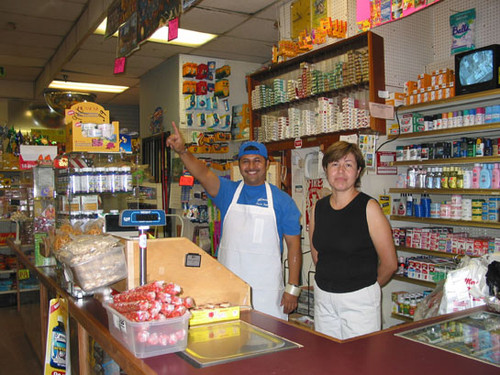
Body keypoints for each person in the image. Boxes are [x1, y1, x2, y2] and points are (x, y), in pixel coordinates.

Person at [166, 121, 302, 320]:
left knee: (270, 346)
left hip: (267, 293)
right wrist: (182, 151)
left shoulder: (283, 201)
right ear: (239, 165)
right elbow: (203, 173)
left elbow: (294, 247)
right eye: (245, 161)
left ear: (266, 164)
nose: (251, 166)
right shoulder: (227, 192)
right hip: (228, 287)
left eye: (257, 160)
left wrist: (293, 288)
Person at [309, 141, 397, 340]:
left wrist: (366, 289)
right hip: (324, 296)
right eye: (334, 164)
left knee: (360, 361)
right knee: (327, 355)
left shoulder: (369, 207)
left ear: (358, 172)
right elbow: (318, 255)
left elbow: (390, 264)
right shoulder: (318, 208)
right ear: (326, 169)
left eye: (348, 164)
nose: (341, 171)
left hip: (359, 300)